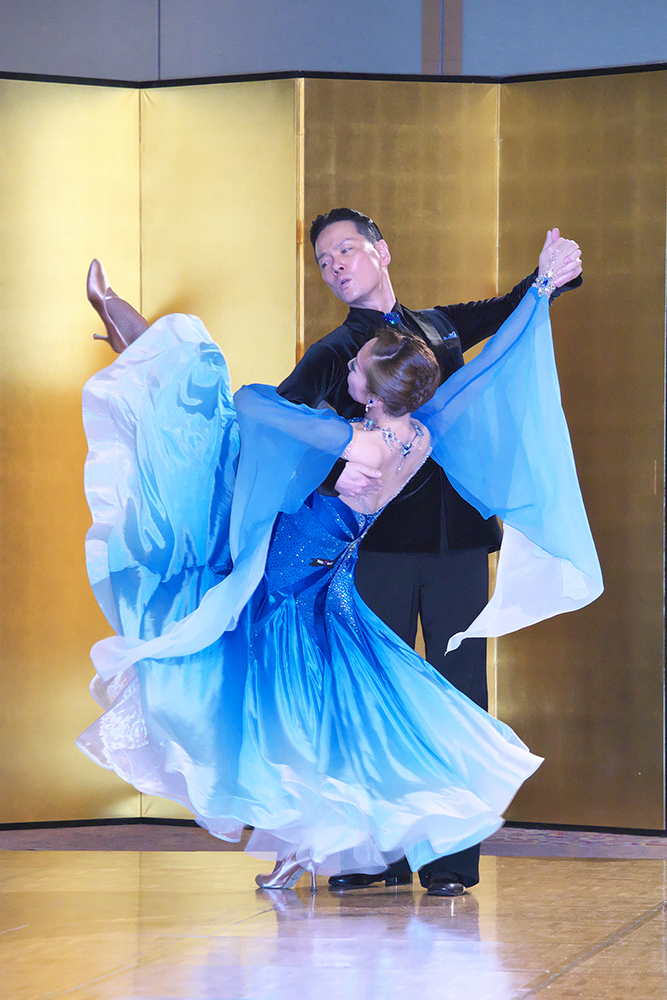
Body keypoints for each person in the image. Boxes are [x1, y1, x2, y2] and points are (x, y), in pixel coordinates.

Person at [77, 260, 592, 893]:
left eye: (358, 366)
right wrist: (537, 294)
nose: (349, 366)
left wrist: (327, 433)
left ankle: (133, 337)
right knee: (324, 721)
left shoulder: (356, 440)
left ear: (373, 391)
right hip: (330, 586)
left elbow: (254, 403)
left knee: (211, 411)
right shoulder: (418, 436)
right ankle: (306, 848)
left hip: (286, 586)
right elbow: (477, 378)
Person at [278, 209, 583, 894]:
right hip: (376, 551)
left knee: (459, 694)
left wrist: (548, 277)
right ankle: (374, 855)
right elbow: (287, 424)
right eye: (323, 260)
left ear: (381, 251)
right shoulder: (333, 353)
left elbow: (508, 313)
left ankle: (449, 860)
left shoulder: (439, 327)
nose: (335, 265)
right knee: (373, 695)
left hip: (458, 546)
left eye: (345, 249)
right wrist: (337, 475)